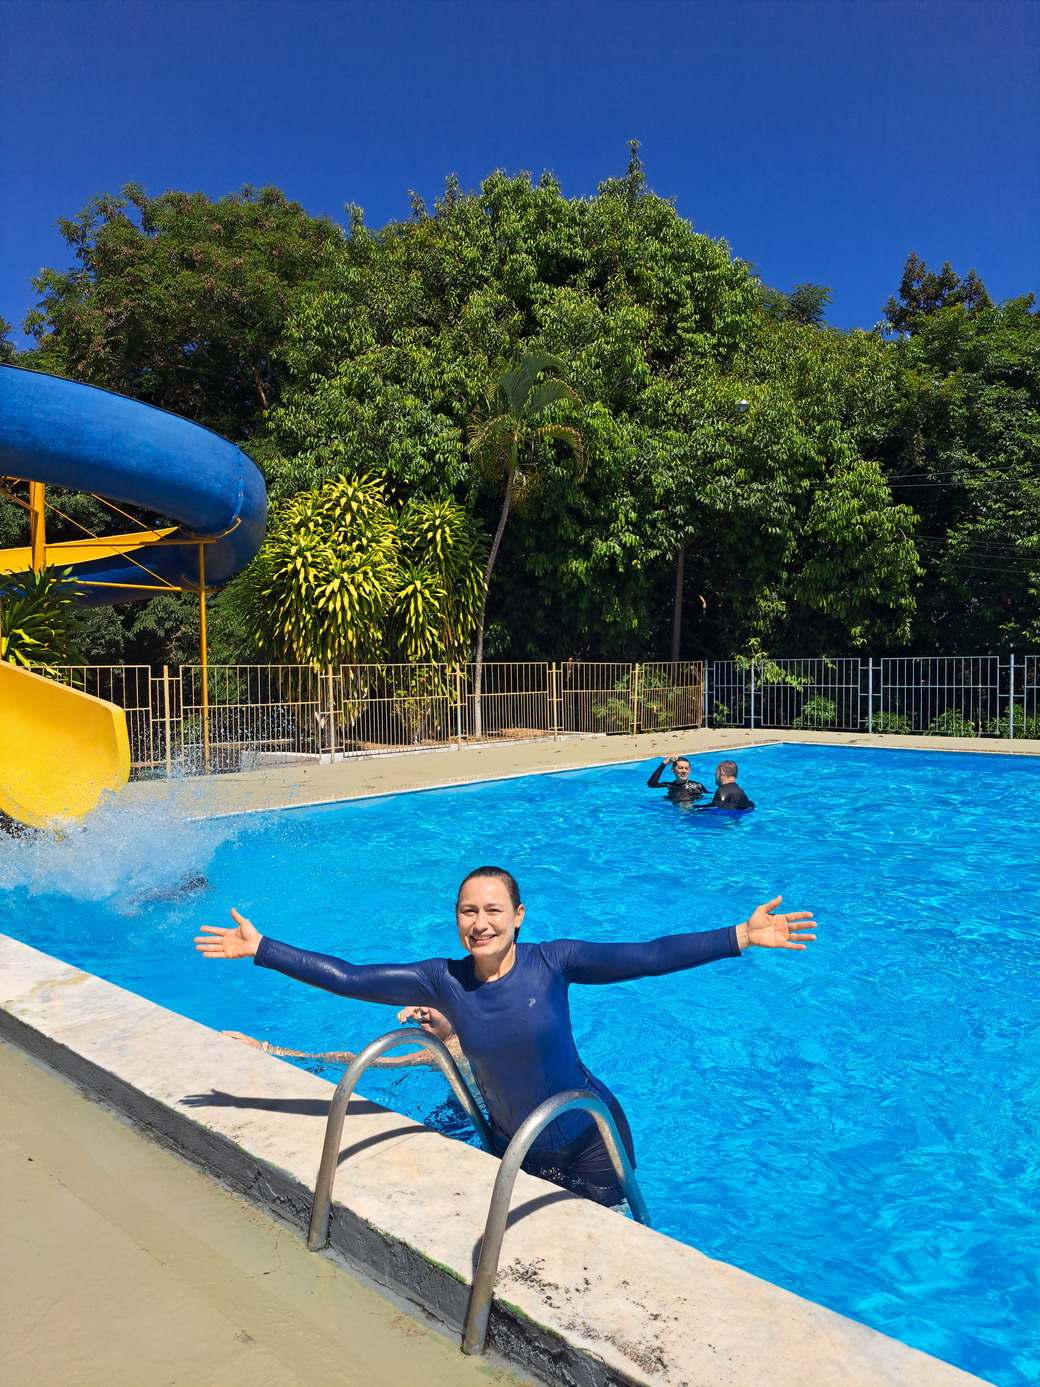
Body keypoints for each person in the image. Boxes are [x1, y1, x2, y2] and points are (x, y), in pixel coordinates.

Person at [195, 866, 816, 1209]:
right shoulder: (441, 981)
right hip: (513, 1141)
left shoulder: (556, 962)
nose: (481, 922)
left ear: (518, 916)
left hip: (591, 1141)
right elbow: (351, 977)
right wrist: (263, 948)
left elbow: (649, 955)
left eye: (494, 910)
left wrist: (739, 936)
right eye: (469, 910)